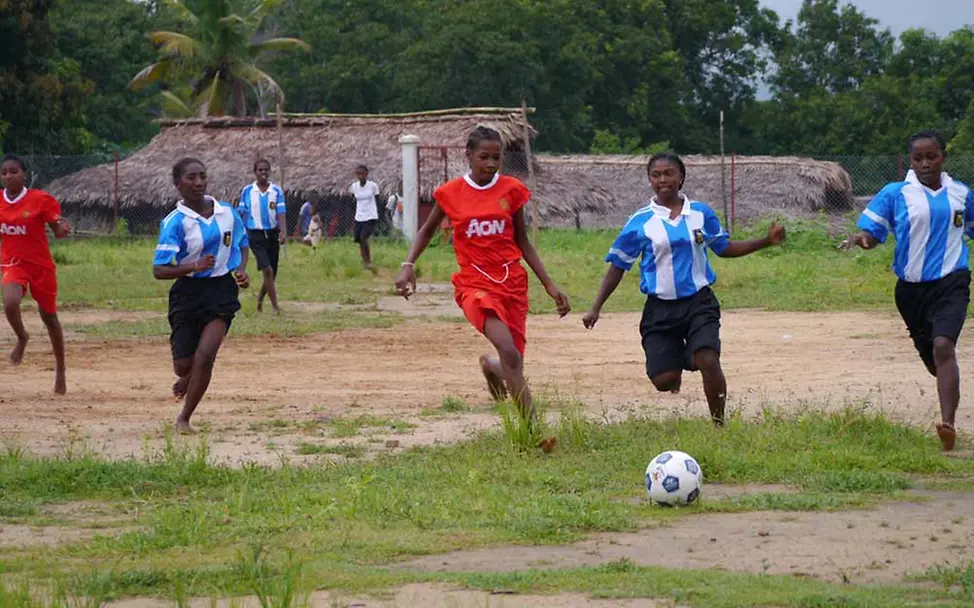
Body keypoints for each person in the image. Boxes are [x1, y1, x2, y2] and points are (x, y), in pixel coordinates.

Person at [394, 126, 570, 450]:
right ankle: (533, 435)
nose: (490, 163)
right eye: (483, 157)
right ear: (469, 156)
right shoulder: (451, 193)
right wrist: (407, 266)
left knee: (511, 360)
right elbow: (425, 231)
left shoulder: (512, 190)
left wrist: (550, 285)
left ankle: (491, 368)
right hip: (474, 283)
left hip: (512, 283)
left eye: (496, 157)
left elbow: (522, 241)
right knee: (510, 351)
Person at [582, 152, 785, 427]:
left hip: (699, 302)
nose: (663, 180)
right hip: (660, 310)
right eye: (656, 175)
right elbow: (618, 265)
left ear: (681, 177)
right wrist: (596, 306)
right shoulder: (640, 223)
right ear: (649, 180)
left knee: (709, 360)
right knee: (664, 381)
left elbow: (724, 248)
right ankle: (680, 359)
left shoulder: (700, 213)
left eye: (669, 174)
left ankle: (719, 425)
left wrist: (766, 241)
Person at [844, 130, 973, 451]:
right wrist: (862, 240)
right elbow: (873, 234)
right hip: (910, 292)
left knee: (944, 346)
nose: (926, 163)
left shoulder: (961, 194)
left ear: (943, 157)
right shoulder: (895, 193)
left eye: (932, 157)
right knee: (934, 359)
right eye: (918, 158)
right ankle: (942, 376)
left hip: (952, 282)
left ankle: (948, 425)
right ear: (911, 161)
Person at [154, 157, 250, 434]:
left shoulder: (227, 213)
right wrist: (192, 266)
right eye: (191, 178)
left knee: (206, 355)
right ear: (177, 185)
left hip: (221, 290)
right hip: (187, 293)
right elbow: (159, 269)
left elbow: (242, 244)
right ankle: (189, 375)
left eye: (202, 176)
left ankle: (184, 417)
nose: (198, 182)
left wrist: (241, 270)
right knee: (183, 365)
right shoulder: (175, 223)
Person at [0, 154, 71, 394]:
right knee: (10, 303)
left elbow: (57, 229)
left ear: (24, 174)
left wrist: (62, 230)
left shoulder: (40, 200)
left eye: (13, 171)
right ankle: (22, 336)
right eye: (4, 173)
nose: (8, 176)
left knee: (49, 317)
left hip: (40, 267)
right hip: (13, 264)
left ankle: (60, 368)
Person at [238, 159, 286, 313]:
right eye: (260, 170)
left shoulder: (276, 191)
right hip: (255, 235)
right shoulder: (247, 191)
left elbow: (281, 212)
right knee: (267, 270)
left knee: (273, 272)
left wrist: (283, 231)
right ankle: (275, 307)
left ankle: (260, 299)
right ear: (255, 172)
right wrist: (240, 233)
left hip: (272, 234)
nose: (263, 173)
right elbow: (242, 213)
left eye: (266, 170)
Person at [351, 164, 380, 270]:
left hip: (370, 216)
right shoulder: (354, 187)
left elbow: (377, 199)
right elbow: (354, 200)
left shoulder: (373, 186)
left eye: (362, 174)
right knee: (359, 240)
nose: (360, 176)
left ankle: (368, 261)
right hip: (359, 216)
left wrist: (377, 214)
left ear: (366, 174)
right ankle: (365, 261)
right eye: (358, 174)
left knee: (364, 238)